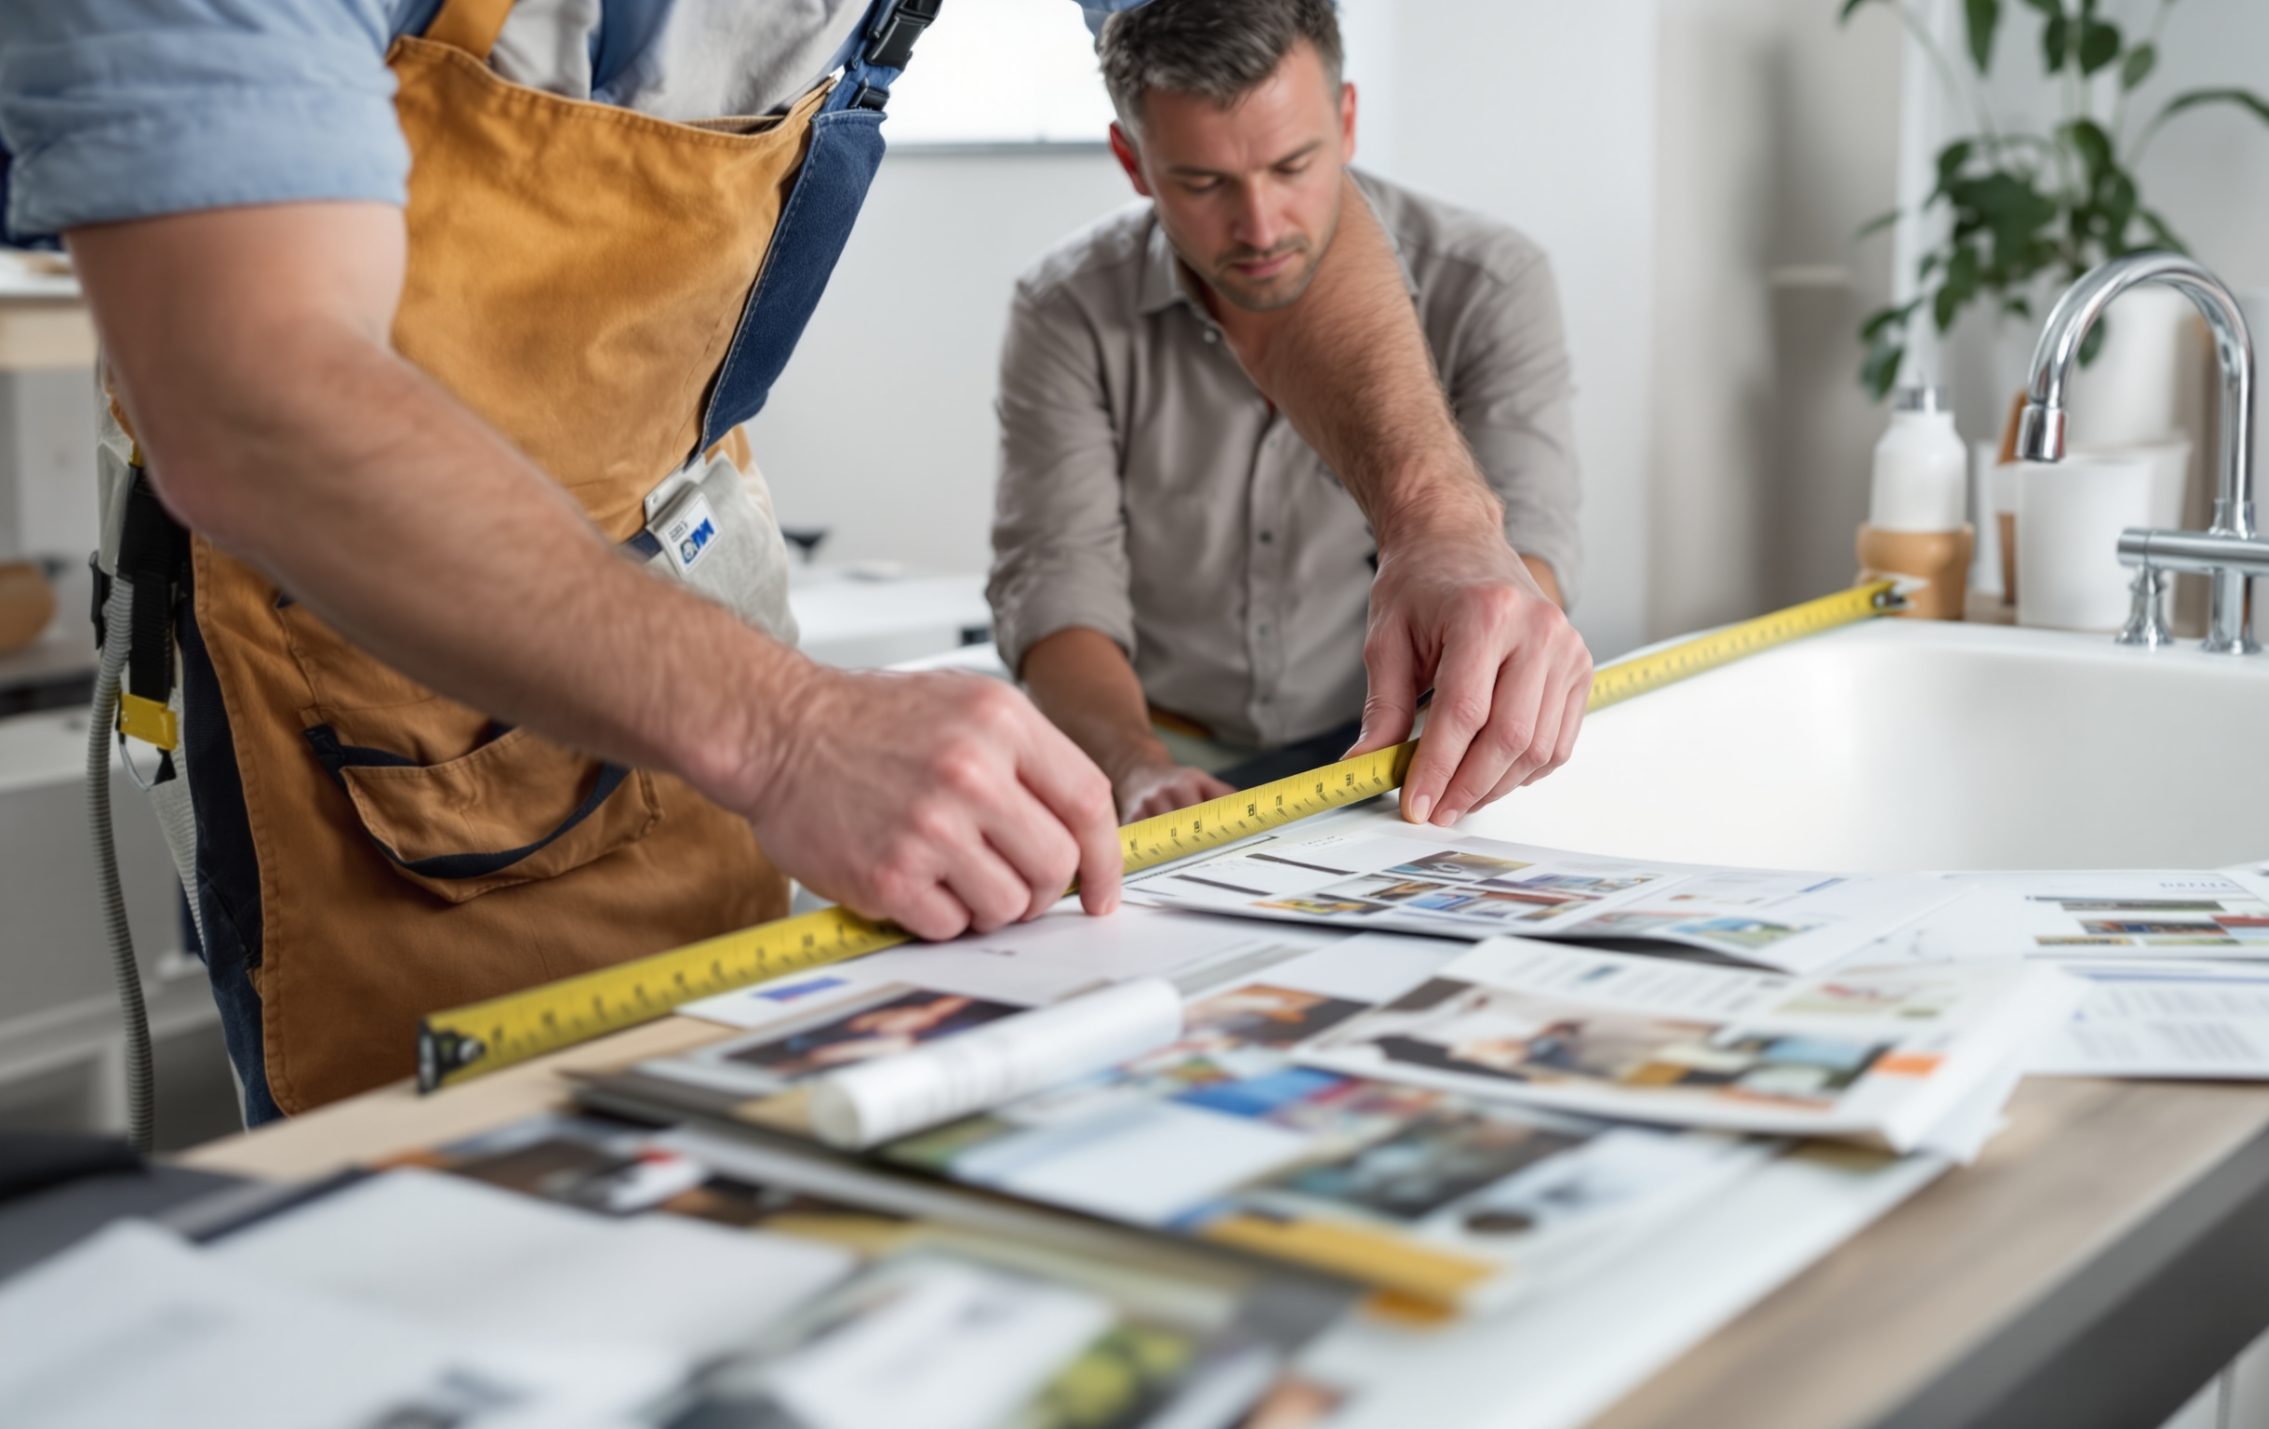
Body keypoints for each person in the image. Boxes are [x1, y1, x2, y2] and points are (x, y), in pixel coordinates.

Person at [0, 0, 1590, 1117]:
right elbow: (249, 392)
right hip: (375, 621)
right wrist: (785, 725)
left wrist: (1444, 523)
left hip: (696, 544)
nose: (1253, 210)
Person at [992, 0, 1583, 821]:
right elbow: (1057, 584)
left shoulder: (1489, 283)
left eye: (1293, 166)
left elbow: (1527, 553)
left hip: (1392, 750)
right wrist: (1134, 766)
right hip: (1162, 749)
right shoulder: (1066, 309)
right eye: (1203, 183)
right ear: (1131, 158)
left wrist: (1488, 669)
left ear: (1346, 121)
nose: (1261, 226)